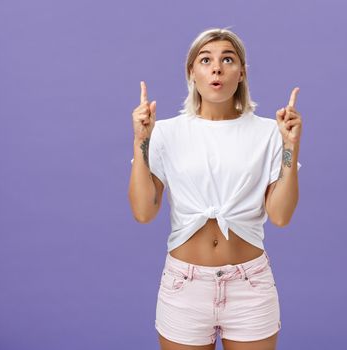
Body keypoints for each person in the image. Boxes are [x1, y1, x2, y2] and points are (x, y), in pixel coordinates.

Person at [128, 28, 303, 350]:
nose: (217, 68)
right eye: (205, 60)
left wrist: (290, 147)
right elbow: (143, 211)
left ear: (242, 73)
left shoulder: (268, 132)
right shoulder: (165, 132)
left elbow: (280, 216)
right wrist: (142, 140)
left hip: (249, 285)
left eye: (228, 59)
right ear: (192, 73)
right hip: (185, 286)